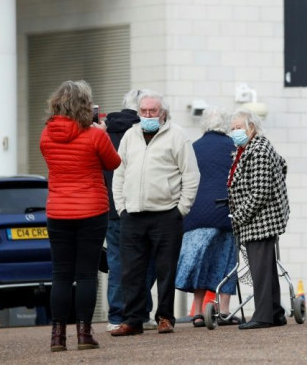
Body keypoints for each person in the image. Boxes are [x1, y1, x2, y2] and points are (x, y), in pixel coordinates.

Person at [39, 80, 121, 352]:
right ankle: (84, 334)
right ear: (86, 105)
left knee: (61, 274)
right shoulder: (96, 135)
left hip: (58, 210)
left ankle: (57, 337)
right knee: (86, 274)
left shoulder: (46, 135)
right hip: (91, 209)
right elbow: (113, 163)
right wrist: (103, 132)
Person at [110, 90, 200, 336]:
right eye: (144, 111)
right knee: (131, 272)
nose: (148, 115)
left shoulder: (177, 135)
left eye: (153, 111)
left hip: (166, 215)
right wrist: (121, 206)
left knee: (165, 270)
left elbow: (191, 175)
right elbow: (119, 172)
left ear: (163, 113)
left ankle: (165, 317)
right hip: (133, 214)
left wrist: (181, 209)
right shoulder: (130, 136)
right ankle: (133, 319)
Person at [175, 107, 239, 327]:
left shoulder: (193, 148)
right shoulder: (234, 148)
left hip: (196, 215)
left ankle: (198, 312)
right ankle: (225, 311)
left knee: (200, 262)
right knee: (226, 261)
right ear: (227, 125)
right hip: (225, 212)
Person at [227, 108, 290, 330]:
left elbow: (260, 191)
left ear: (251, 128)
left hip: (260, 220)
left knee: (260, 271)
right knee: (266, 268)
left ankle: (263, 316)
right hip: (258, 219)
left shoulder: (259, 150)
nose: (234, 132)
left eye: (239, 128)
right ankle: (275, 312)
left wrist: (239, 215)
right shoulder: (246, 149)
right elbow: (282, 165)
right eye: (232, 128)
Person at [102, 90, 157, 332]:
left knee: (116, 262)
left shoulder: (105, 132)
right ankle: (141, 312)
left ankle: (116, 314)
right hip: (139, 207)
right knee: (144, 262)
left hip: (111, 208)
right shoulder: (142, 133)